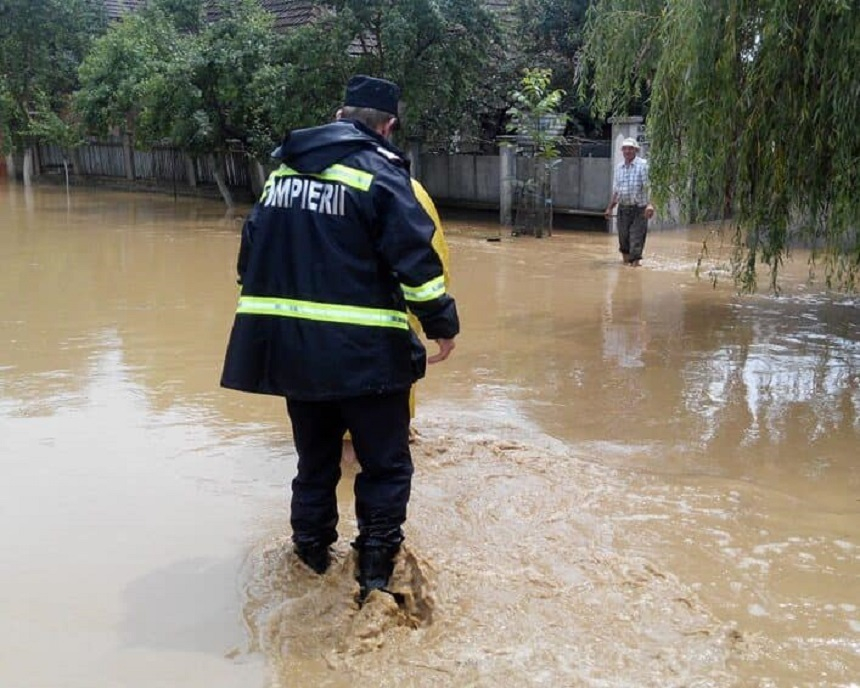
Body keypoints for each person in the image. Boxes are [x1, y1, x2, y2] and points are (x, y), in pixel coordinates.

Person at [220, 75, 460, 601]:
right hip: (366, 357)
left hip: (295, 356)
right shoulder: (381, 172)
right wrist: (442, 324)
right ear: (389, 125)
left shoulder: (282, 172)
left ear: (338, 113)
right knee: (385, 465)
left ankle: (308, 557)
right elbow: (417, 262)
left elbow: (250, 256)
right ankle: (374, 570)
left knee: (315, 463)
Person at [604, 137, 655, 267]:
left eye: (630, 148)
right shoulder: (619, 167)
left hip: (639, 209)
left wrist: (650, 204)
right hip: (623, 208)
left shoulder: (643, 165)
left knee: (636, 239)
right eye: (625, 148)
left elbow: (648, 186)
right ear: (622, 151)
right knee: (623, 240)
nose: (627, 151)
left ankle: (635, 266)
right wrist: (610, 208)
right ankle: (626, 267)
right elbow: (617, 190)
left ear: (636, 150)